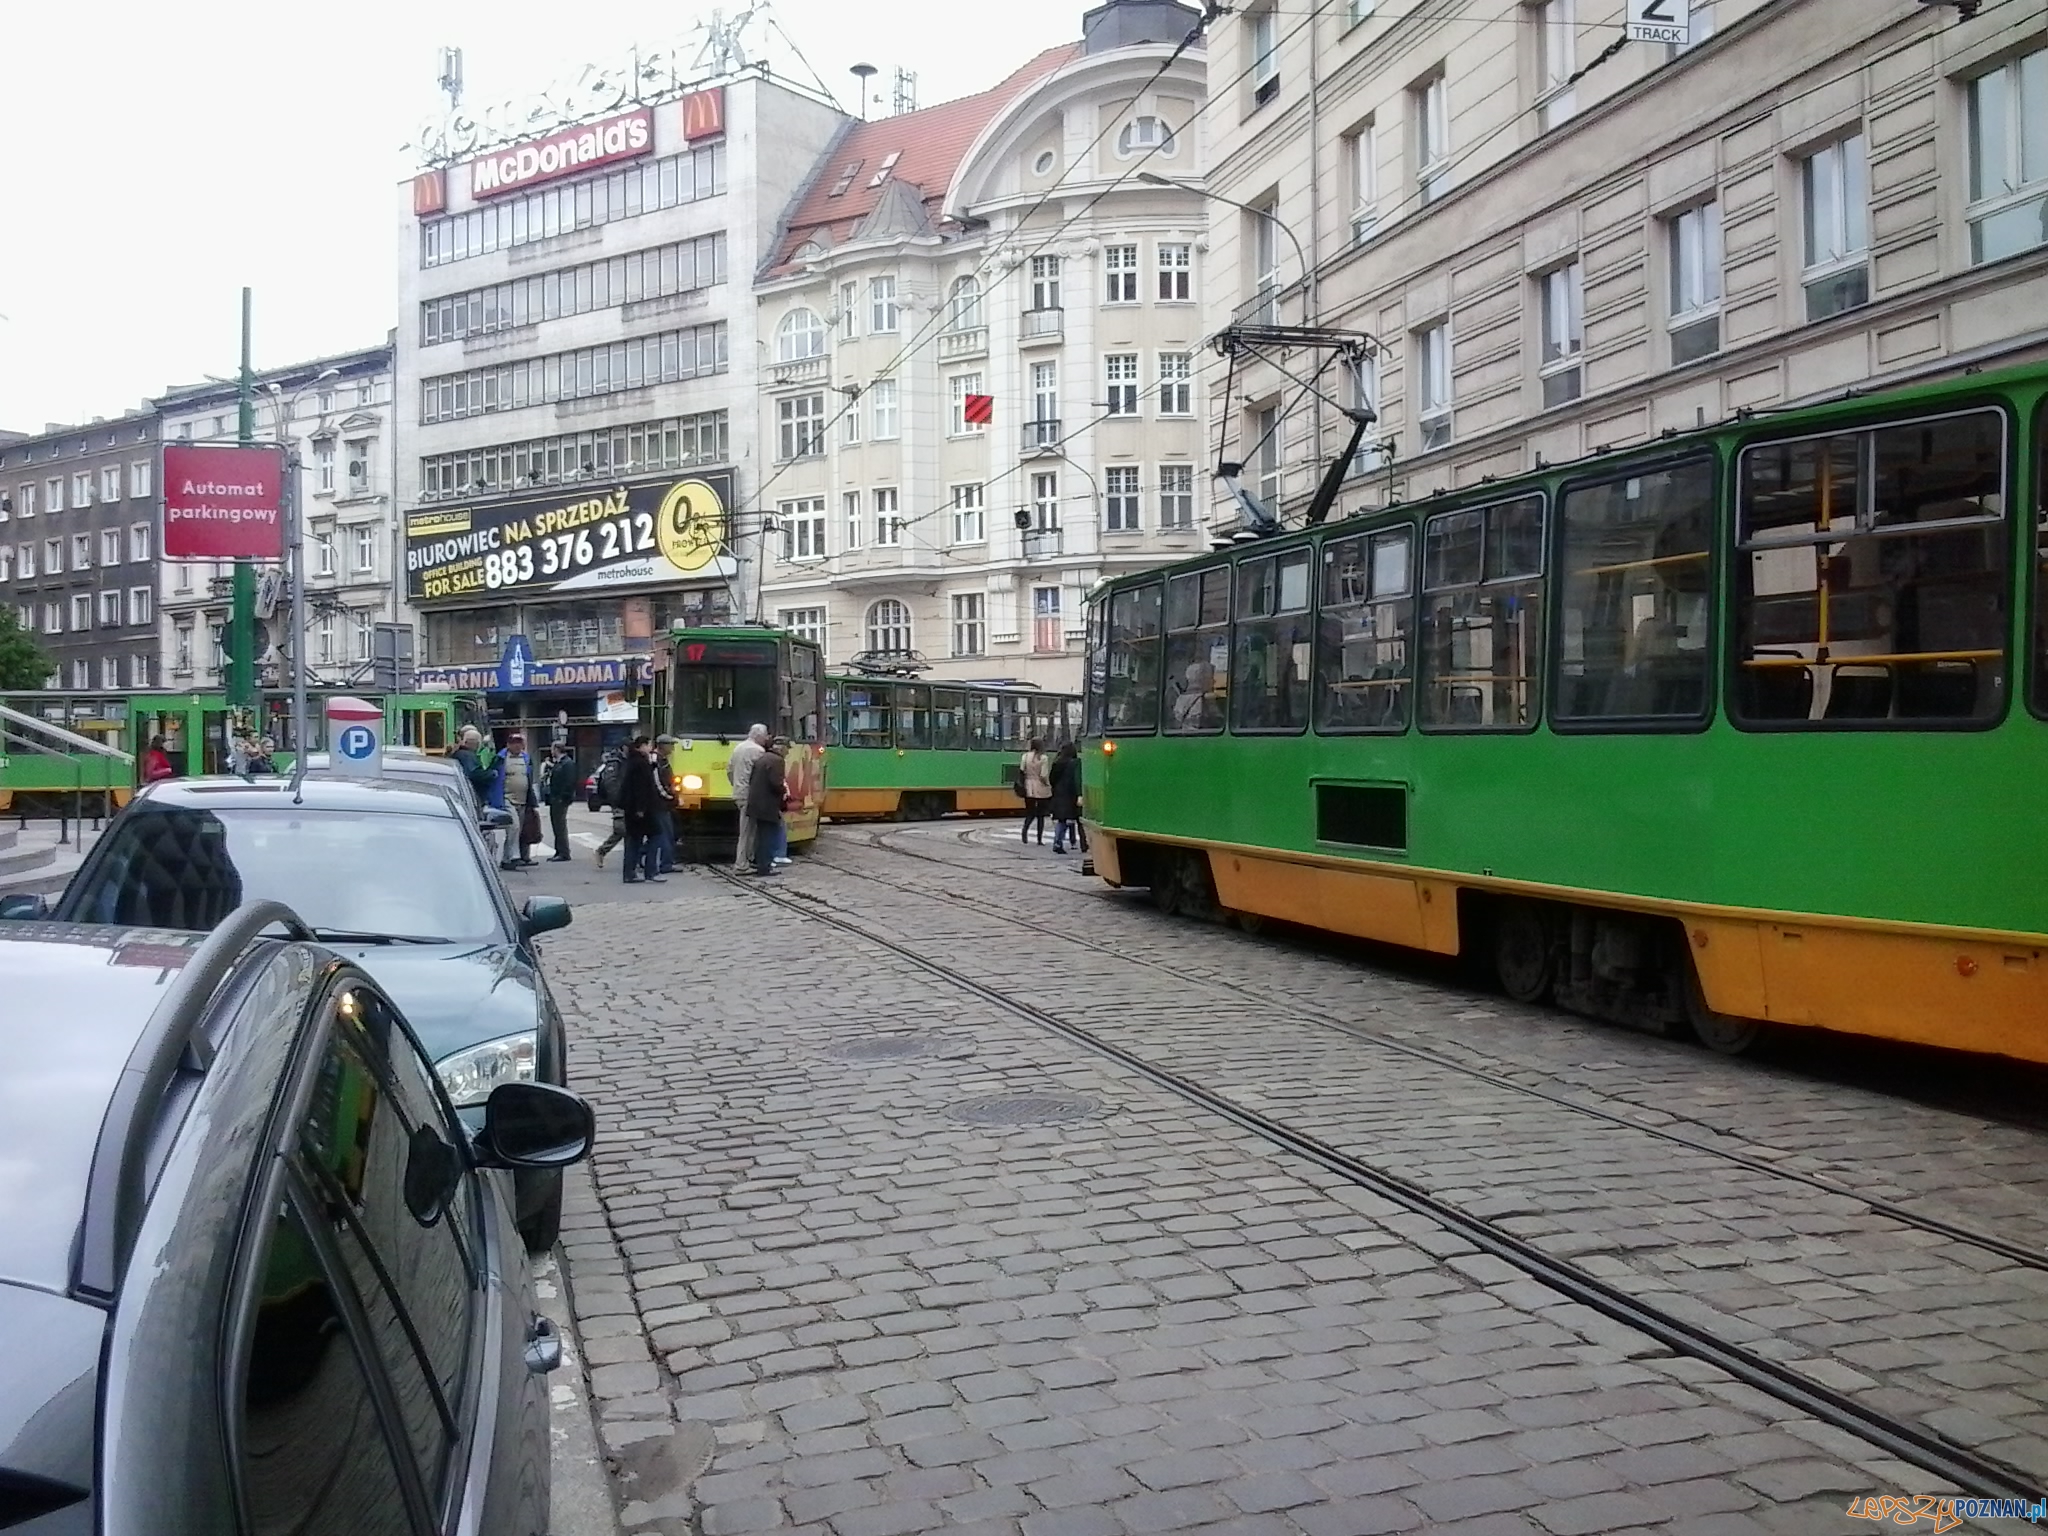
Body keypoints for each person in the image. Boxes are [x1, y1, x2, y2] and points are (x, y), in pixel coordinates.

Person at [619, 735, 665, 884]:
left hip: (636, 808)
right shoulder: (640, 763)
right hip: (642, 809)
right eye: (649, 745)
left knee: (635, 840)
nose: (650, 748)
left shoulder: (635, 761)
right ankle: (649, 871)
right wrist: (641, 808)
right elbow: (640, 787)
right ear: (642, 746)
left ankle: (630, 872)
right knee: (654, 836)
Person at [726, 724, 769, 873]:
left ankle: (748, 859)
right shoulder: (758, 751)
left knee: (748, 829)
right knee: (747, 831)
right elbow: (761, 775)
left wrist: (736, 785)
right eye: (765, 735)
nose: (766, 739)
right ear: (758, 735)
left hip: (739, 792)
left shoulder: (739, 748)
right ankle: (742, 864)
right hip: (751, 795)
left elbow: (729, 770)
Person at [747, 736, 787, 876]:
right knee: (769, 836)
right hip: (767, 804)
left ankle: (760, 864)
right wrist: (784, 792)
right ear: (782, 748)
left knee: (761, 835)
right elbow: (776, 783)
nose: (788, 752)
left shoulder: (763, 758)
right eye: (787, 749)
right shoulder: (777, 761)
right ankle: (765, 866)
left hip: (756, 803)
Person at [500, 732, 539, 870]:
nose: (517, 745)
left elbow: (529, 777)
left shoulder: (526, 758)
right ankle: (512, 857)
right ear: (508, 744)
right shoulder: (501, 758)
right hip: (506, 799)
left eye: (519, 743)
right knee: (514, 826)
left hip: (523, 800)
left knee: (518, 830)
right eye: (514, 743)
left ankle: (509, 858)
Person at [591, 745, 628, 871]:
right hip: (620, 801)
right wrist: (617, 800)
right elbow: (611, 783)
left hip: (627, 800)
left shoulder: (625, 760)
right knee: (621, 829)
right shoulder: (615, 762)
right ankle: (602, 851)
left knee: (629, 831)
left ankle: (634, 859)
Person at [1049, 740, 1087, 855]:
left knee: (1062, 820)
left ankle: (1057, 842)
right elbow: (1077, 780)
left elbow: (1051, 779)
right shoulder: (1076, 763)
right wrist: (1079, 794)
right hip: (1072, 795)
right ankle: (1083, 844)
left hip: (1059, 794)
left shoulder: (1056, 763)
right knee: (1079, 820)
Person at [542, 743, 578, 862]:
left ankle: (564, 852)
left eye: (552, 749)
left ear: (557, 749)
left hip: (560, 799)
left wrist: (563, 797)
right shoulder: (559, 763)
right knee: (556, 825)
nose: (551, 751)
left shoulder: (567, 763)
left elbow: (569, 782)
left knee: (560, 825)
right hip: (555, 798)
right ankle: (559, 850)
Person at [652, 734, 679, 874]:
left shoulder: (663, 760)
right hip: (660, 804)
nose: (672, 748)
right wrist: (669, 796)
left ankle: (665, 862)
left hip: (664, 803)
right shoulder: (656, 760)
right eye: (671, 745)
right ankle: (665, 864)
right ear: (662, 745)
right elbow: (657, 783)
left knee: (665, 834)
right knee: (665, 835)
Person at [1018, 737, 1052, 846]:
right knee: (1041, 815)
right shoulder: (1043, 758)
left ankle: (1025, 831)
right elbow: (1043, 775)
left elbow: (1022, 770)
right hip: (1040, 787)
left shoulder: (1025, 756)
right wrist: (1048, 784)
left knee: (1030, 812)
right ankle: (1039, 839)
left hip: (1028, 787)